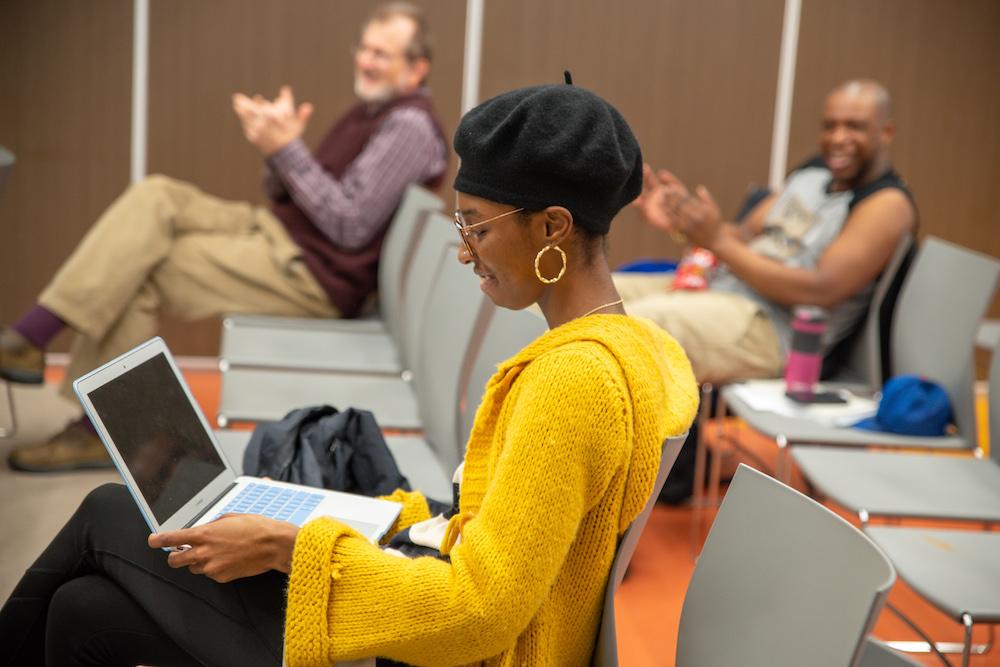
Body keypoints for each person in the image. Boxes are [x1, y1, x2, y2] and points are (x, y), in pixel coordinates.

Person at [0, 82, 698, 666]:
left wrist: (293, 544)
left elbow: (479, 613)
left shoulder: (571, 382)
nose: (465, 252)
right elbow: (500, 540)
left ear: (552, 227)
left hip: (454, 651)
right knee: (82, 608)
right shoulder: (640, 350)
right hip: (453, 617)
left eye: (477, 227)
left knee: (105, 514)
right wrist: (358, 517)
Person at [0, 2, 449, 473]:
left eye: (383, 53)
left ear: (417, 68)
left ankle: (90, 417)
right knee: (157, 195)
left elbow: (350, 225)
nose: (366, 61)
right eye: (365, 48)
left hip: (313, 275)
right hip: (283, 235)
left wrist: (289, 151)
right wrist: (276, 152)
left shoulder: (408, 126)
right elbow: (295, 195)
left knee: (142, 271)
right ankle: (37, 344)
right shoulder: (375, 112)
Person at [621, 79, 916, 385]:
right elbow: (743, 235)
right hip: (720, 289)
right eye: (830, 126)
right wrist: (682, 220)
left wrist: (717, 241)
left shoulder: (886, 203)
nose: (838, 138)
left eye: (855, 127)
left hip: (771, 329)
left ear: (886, 132)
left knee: (621, 327)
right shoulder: (813, 173)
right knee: (591, 294)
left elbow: (819, 291)